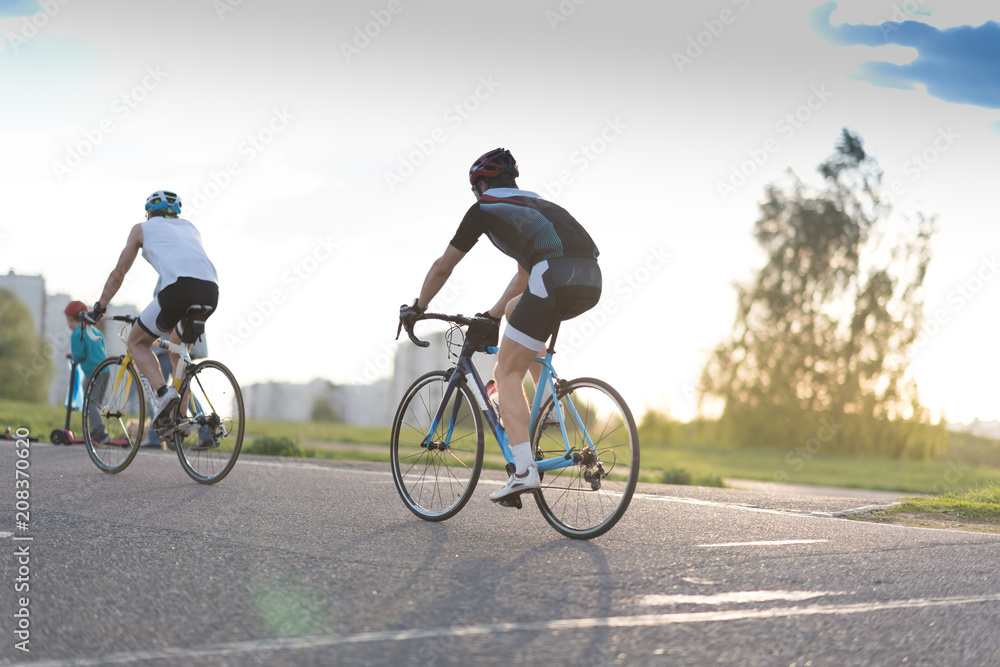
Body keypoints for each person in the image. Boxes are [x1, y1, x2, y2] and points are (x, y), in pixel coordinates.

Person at [399, 148, 602, 504]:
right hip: (590, 279)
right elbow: (525, 275)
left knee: (505, 372)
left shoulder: (483, 209)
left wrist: (418, 307)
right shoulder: (540, 207)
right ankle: (547, 407)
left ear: (480, 185)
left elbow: (444, 266)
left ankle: (523, 471)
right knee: (515, 310)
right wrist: (493, 315)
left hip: (551, 278)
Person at [87, 190, 219, 430]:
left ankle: (162, 392)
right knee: (178, 348)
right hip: (211, 291)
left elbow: (119, 274)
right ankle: (180, 419)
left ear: (149, 212)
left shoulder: (141, 229)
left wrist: (100, 307)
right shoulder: (190, 227)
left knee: (136, 341)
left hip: (179, 289)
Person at [65, 300, 109, 443]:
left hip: (92, 372)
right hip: (104, 370)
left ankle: (100, 432)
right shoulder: (96, 331)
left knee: (90, 403)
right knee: (95, 403)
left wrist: (74, 358)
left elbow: (79, 355)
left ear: (70, 318)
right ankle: (97, 429)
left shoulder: (77, 333)